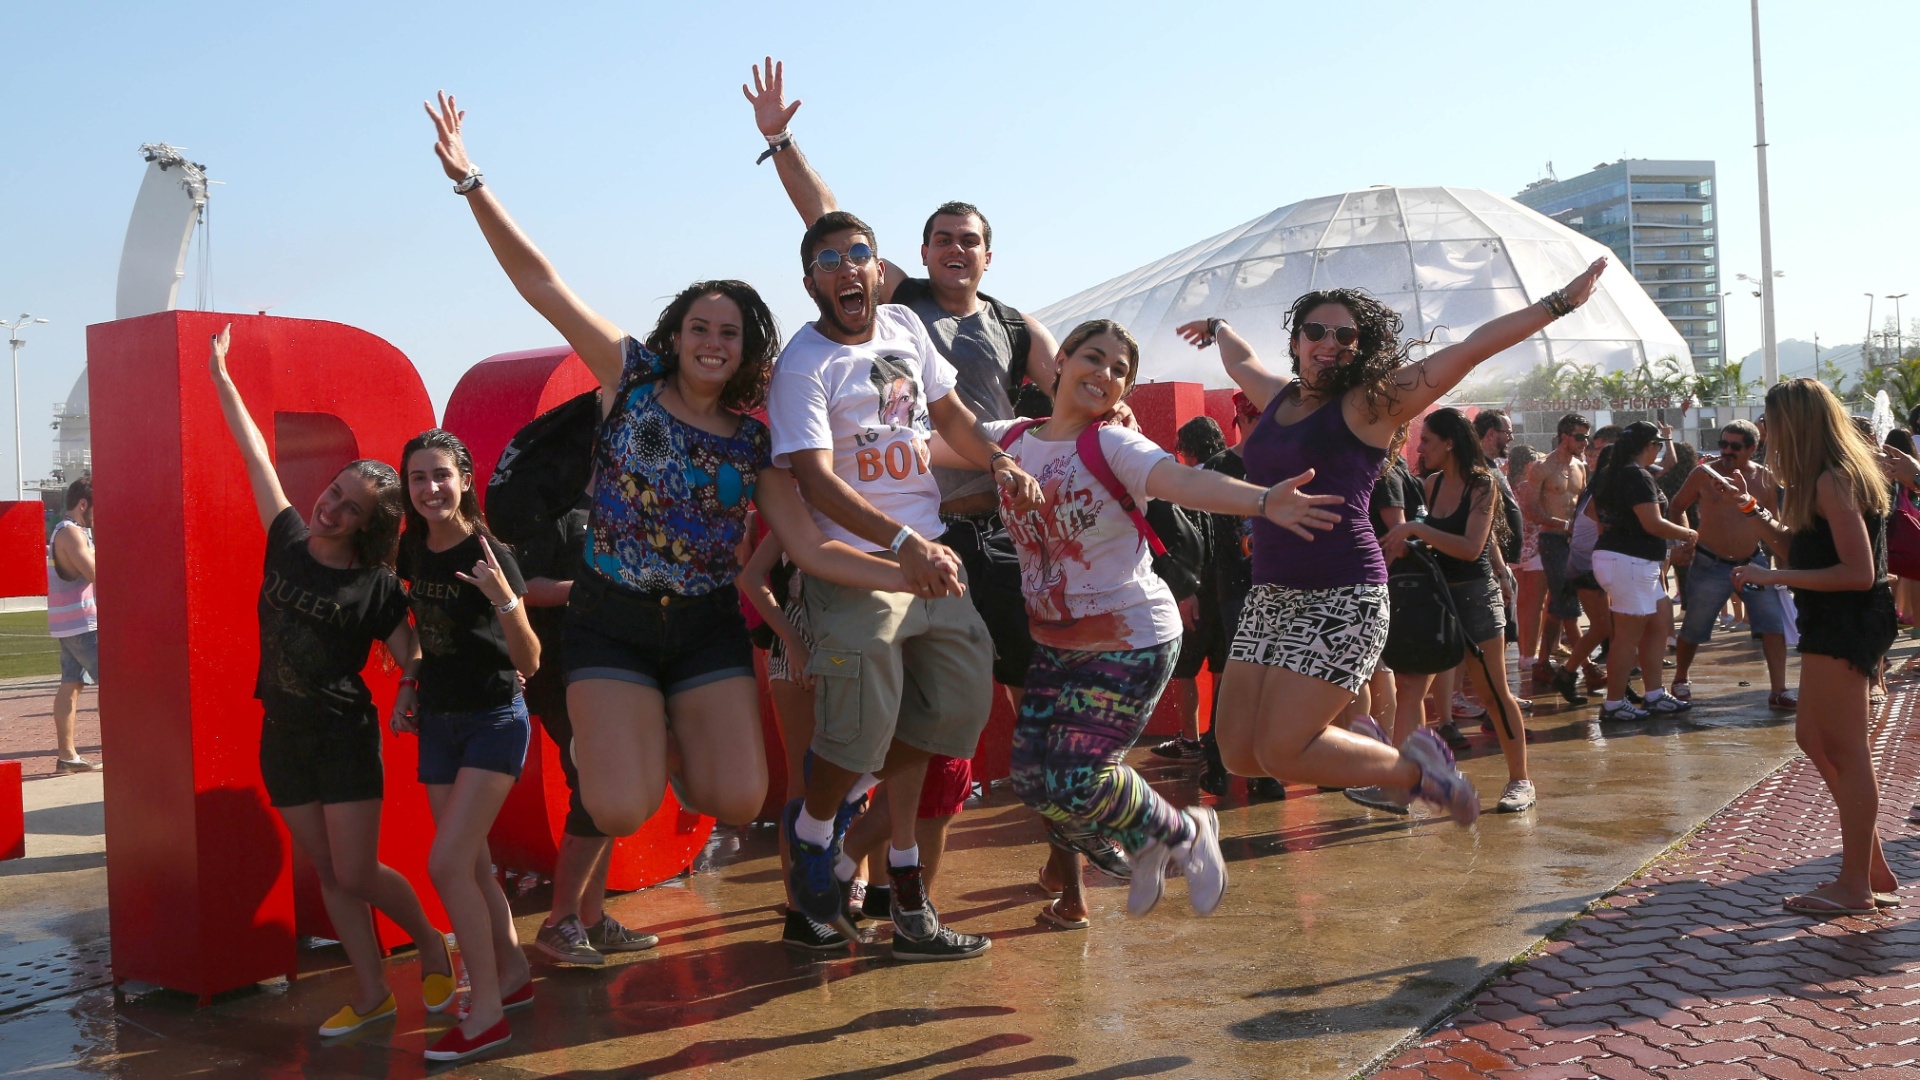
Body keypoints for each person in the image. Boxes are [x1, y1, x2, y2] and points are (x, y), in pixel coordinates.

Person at [743, 61, 1063, 891]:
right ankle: (856, 863)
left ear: (991, 254)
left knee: (959, 719)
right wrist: (781, 141)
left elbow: (1069, 394)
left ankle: (909, 880)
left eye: (972, 241)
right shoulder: (888, 310)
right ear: (915, 256)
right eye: (943, 239)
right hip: (893, 541)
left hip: (985, 539)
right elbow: (827, 220)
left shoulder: (1008, 323)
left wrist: (1031, 449)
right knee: (867, 722)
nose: (957, 251)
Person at [426, 96, 774, 854]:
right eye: (699, 328)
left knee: (740, 798)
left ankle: (661, 725)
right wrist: (470, 181)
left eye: (729, 334)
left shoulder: (752, 438)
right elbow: (542, 282)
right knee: (618, 808)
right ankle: (619, 736)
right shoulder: (631, 379)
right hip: (611, 617)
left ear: (745, 351)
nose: (712, 343)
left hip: (705, 624)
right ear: (675, 335)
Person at [1178, 258, 1607, 824]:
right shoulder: (1277, 396)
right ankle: (1402, 764)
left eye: (1344, 335)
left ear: (1360, 347)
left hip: (1342, 593)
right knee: (1237, 751)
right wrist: (1218, 327)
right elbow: (1241, 359)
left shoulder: (1371, 402)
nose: (1328, 344)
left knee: (1282, 747)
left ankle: (1414, 773)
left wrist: (1558, 303)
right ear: (1296, 339)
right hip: (1271, 595)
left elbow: (1470, 350)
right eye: (1316, 331)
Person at [941, 319, 1341, 927]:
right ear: (1059, 364)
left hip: (1130, 633)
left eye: (1118, 369)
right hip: (1054, 640)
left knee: (1079, 775)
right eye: (1091, 358)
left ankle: (1185, 831)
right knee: (1032, 777)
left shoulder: (1116, 447)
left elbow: (1183, 481)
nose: (1103, 373)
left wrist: (1262, 500)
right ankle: (1141, 844)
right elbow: (926, 445)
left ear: (1124, 389)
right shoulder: (1011, 440)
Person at [764, 207, 1042, 960]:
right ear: (811, 280)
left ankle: (848, 824)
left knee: (955, 706)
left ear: (877, 266)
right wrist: (901, 541)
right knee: (860, 730)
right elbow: (816, 483)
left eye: (859, 253)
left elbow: (948, 413)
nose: (846, 266)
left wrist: (997, 460)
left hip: (932, 558)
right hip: (860, 567)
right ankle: (819, 831)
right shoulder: (803, 366)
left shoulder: (904, 329)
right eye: (829, 259)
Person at [206, 325, 456, 1041]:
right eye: (335, 492)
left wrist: (409, 691)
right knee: (326, 870)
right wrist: (223, 378)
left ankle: (432, 940)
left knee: (355, 869)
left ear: (370, 525)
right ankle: (373, 990)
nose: (332, 507)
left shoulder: (376, 587)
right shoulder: (284, 536)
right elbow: (255, 455)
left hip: (345, 739)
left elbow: (413, 657)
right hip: (281, 736)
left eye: (351, 508)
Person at [392, 429, 539, 1063]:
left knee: (447, 864)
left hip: (494, 719)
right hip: (440, 723)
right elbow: (422, 633)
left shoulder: (490, 551)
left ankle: (485, 1014)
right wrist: (409, 680)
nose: (430, 489)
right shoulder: (411, 551)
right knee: (472, 864)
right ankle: (512, 975)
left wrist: (500, 596)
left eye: (441, 476)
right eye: (418, 478)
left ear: (465, 479)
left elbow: (530, 657)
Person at [1736, 379, 1901, 917]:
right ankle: (1870, 861)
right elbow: (1806, 549)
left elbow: (1859, 573)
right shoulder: (1822, 479)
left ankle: (1856, 885)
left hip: (1847, 621)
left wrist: (1771, 575)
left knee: (1846, 749)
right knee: (1814, 738)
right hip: (1833, 619)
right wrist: (1755, 514)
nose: (1767, 433)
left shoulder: (1834, 479)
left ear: (1795, 423)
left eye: (1771, 422)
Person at [516, 496, 660, 966]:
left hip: (616, 670)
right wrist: (596, 589)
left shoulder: (623, 505)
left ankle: (591, 919)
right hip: (562, 675)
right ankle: (560, 921)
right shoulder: (550, 512)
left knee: (604, 792)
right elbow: (524, 588)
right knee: (594, 788)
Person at [1380, 409, 1534, 812]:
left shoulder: (1483, 486)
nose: (1420, 447)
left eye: (1427, 440)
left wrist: (1416, 531)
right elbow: (1441, 541)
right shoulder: (1430, 484)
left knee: (1493, 692)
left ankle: (1521, 780)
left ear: (1449, 442)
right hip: (1438, 600)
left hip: (1475, 598)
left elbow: (1470, 546)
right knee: (1412, 687)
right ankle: (1401, 785)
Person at [1193, 395, 1289, 800]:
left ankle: (1259, 767)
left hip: (1283, 587)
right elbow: (1203, 537)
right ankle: (1222, 762)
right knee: (1241, 678)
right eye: (1259, 420)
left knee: (1271, 679)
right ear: (1243, 421)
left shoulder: (1282, 466)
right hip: (1234, 589)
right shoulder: (1220, 468)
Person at [1668, 421, 1793, 710]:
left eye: (1734, 446)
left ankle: (1779, 689)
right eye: (1723, 443)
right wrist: (1685, 537)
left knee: (1773, 625)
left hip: (1752, 563)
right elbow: (1677, 506)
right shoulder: (1704, 473)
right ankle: (1680, 679)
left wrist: (1782, 572)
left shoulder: (1765, 479)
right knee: (1693, 628)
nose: (1726, 451)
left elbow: (1775, 527)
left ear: (1753, 448)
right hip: (1710, 563)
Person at [1590, 421, 1697, 721]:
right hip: (1629, 561)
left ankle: (1653, 694)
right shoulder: (1635, 475)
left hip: (1630, 560)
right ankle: (1613, 703)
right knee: (1627, 636)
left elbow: (1593, 511)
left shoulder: (1615, 472)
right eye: (1658, 445)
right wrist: (1689, 534)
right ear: (1649, 446)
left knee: (1659, 621)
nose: (1660, 451)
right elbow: (1653, 523)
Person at [1152, 415, 1229, 762]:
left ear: (1190, 448)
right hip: (1229, 587)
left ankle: (1189, 738)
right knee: (1222, 666)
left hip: (1196, 589)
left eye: (1181, 447)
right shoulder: (1231, 476)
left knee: (1185, 669)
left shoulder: (1184, 486)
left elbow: (1185, 542)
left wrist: (1185, 589)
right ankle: (1221, 737)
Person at [1526, 413, 1592, 702]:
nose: (1585, 442)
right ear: (1564, 436)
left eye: (1587, 436)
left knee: (1558, 603)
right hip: (1553, 539)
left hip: (1574, 542)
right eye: (1579, 436)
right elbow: (1529, 508)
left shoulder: (1581, 465)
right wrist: (1563, 526)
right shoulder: (1542, 467)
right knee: (1567, 604)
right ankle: (1586, 669)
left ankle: (1542, 664)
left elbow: (1582, 507)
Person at [46, 477, 101, 773]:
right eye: (97, 507)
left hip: (68, 624)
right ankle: (120, 749)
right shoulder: (71, 533)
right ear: (83, 505)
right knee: (114, 685)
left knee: (71, 684)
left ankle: (67, 757)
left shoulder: (71, 531)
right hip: (84, 624)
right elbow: (96, 574)